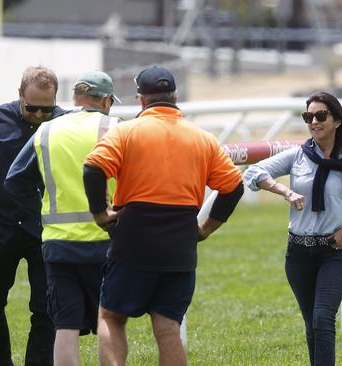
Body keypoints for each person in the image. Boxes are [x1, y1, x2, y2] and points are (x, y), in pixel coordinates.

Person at [82, 65, 244, 366]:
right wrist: (206, 228)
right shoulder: (203, 138)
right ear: (175, 96)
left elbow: (93, 168)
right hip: (181, 241)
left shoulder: (125, 131)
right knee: (168, 329)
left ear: (141, 99)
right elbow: (234, 187)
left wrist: (100, 214)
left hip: (134, 237)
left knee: (111, 317)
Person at [243, 91, 342, 366]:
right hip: (298, 253)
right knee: (311, 323)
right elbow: (253, 172)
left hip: (336, 250)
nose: (314, 122)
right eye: (308, 117)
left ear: (337, 120)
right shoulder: (299, 156)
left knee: (322, 318)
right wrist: (284, 191)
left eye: (321, 116)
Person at [4, 70, 121, 366]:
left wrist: (42, 212)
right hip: (106, 241)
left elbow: (14, 181)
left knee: (65, 326)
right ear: (107, 100)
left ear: (75, 99)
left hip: (58, 245)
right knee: (109, 321)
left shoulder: (46, 130)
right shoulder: (117, 128)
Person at [0, 65, 64, 366]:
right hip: (0, 229)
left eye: (45, 109)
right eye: (31, 107)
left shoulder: (63, 122)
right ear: (20, 94)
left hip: (46, 231)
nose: (38, 115)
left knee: (46, 309)